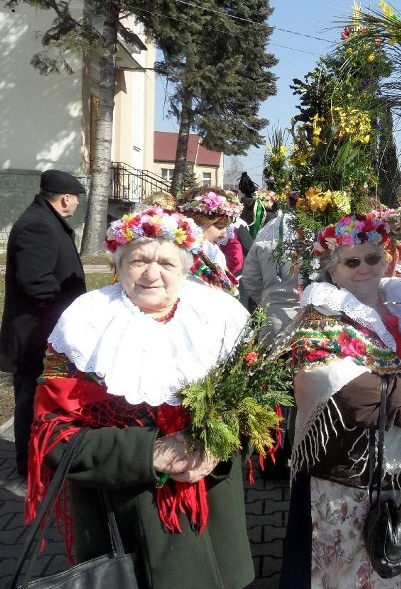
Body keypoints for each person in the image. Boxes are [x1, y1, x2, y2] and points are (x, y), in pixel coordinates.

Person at [25, 206, 254, 589]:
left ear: (185, 268)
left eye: (166, 262)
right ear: (119, 264)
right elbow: (51, 434)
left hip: (213, 519)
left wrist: (219, 447)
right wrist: (150, 452)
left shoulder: (220, 317)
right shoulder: (86, 324)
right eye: (138, 260)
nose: (152, 273)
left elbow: (257, 410)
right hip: (126, 531)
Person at [279, 213, 401, 589]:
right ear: (332, 270)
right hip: (348, 467)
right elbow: (340, 388)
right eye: (352, 261)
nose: (364, 268)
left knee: (396, 549)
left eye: (372, 258)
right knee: (349, 562)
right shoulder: (321, 314)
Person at [0, 169, 87, 477]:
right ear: (65, 198)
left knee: (41, 394)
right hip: (36, 332)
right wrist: (66, 318)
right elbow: (35, 282)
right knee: (30, 397)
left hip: (46, 330)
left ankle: (41, 456)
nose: (77, 204)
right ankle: (28, 465)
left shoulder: (46, 220)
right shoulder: (37, 225)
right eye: (76, 199)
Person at [240, 210, 300, 341]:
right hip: (313, 321)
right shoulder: (324, 229)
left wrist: (268, 301)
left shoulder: (267, 231)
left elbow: (250, 279)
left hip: (273, 317)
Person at [177, 186, 243, 295]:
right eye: (220, 227)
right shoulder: (183, 254)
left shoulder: (212, 250)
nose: (225, 234)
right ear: (200, 221)